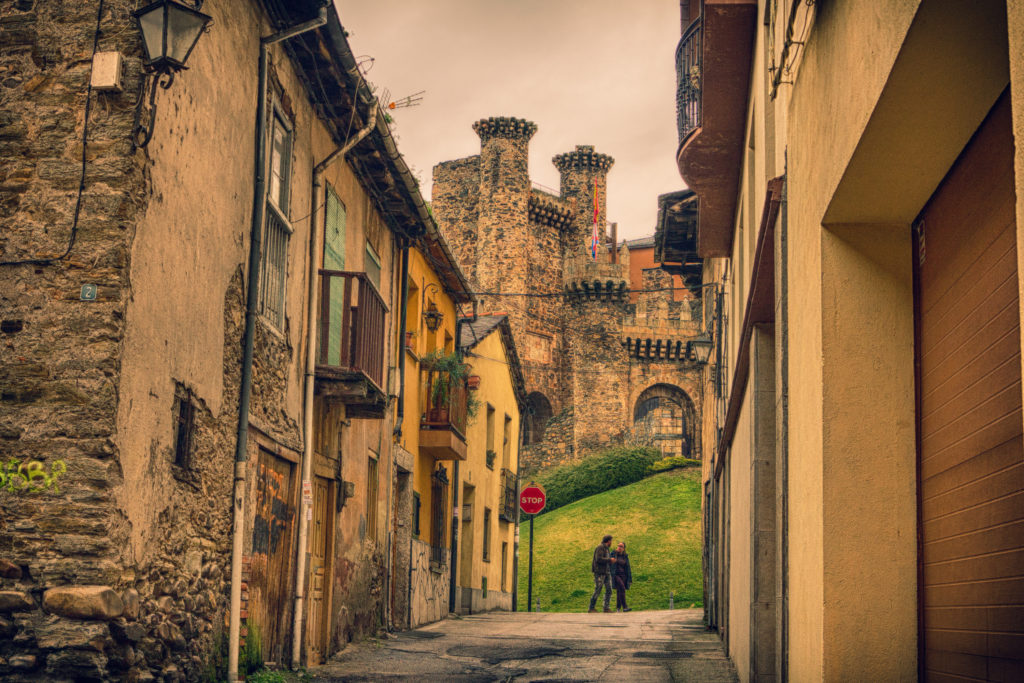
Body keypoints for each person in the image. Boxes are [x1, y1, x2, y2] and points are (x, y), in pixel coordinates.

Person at [588, 534, 615, 613]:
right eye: (611, 541)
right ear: (608, 541)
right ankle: (591, 607)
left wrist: (610, 562)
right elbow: (598, 559)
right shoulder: (600, 547)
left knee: (609, 589)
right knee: (598, 589)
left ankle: (606, 607)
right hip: (600, 572)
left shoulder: (606, 549)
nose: (611, 543)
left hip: (607, 572)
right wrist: (609, 560)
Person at [610, 541, 632, 612]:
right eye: (618, 546)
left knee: (620, 591)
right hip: (616, 575)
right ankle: (625, 607)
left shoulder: (625, 556)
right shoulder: (613, 554)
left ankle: (618, 608)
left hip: (623, 576)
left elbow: (628, 567)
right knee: (622, 588)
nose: (619, 547)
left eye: (621, 546)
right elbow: (609, 563)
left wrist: (630, 578)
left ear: (624, 548)